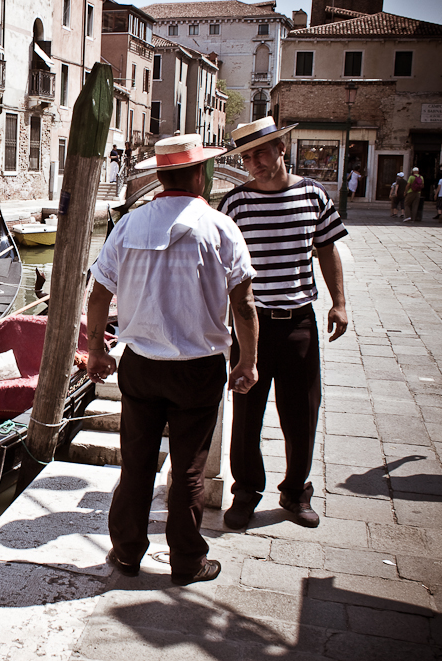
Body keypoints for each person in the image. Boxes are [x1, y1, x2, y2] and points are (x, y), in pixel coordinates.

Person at [86, 134, 259, 586]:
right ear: (200, 174)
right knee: (187, 468)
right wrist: (248, 362)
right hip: (198, 367)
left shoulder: (129, 225)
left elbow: (99, 294)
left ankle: (126, 553)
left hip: (140, 364)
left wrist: (97, 351)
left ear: (161, 176)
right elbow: (243, 305)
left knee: (137, 463)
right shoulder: (220, 227)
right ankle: (186, 560)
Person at [218, 116, 348, 530]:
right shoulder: (235, 203)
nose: (254, 161)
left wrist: (339, 303)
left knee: (301, 413)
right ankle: (245, 492)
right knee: (247, 412)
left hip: (299, 324)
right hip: (250, 326)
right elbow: (217, 266)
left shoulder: (313, 195)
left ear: (281, 149)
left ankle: (295, 492)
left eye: (261, 152)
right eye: (247, 156)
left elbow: (327, 250)